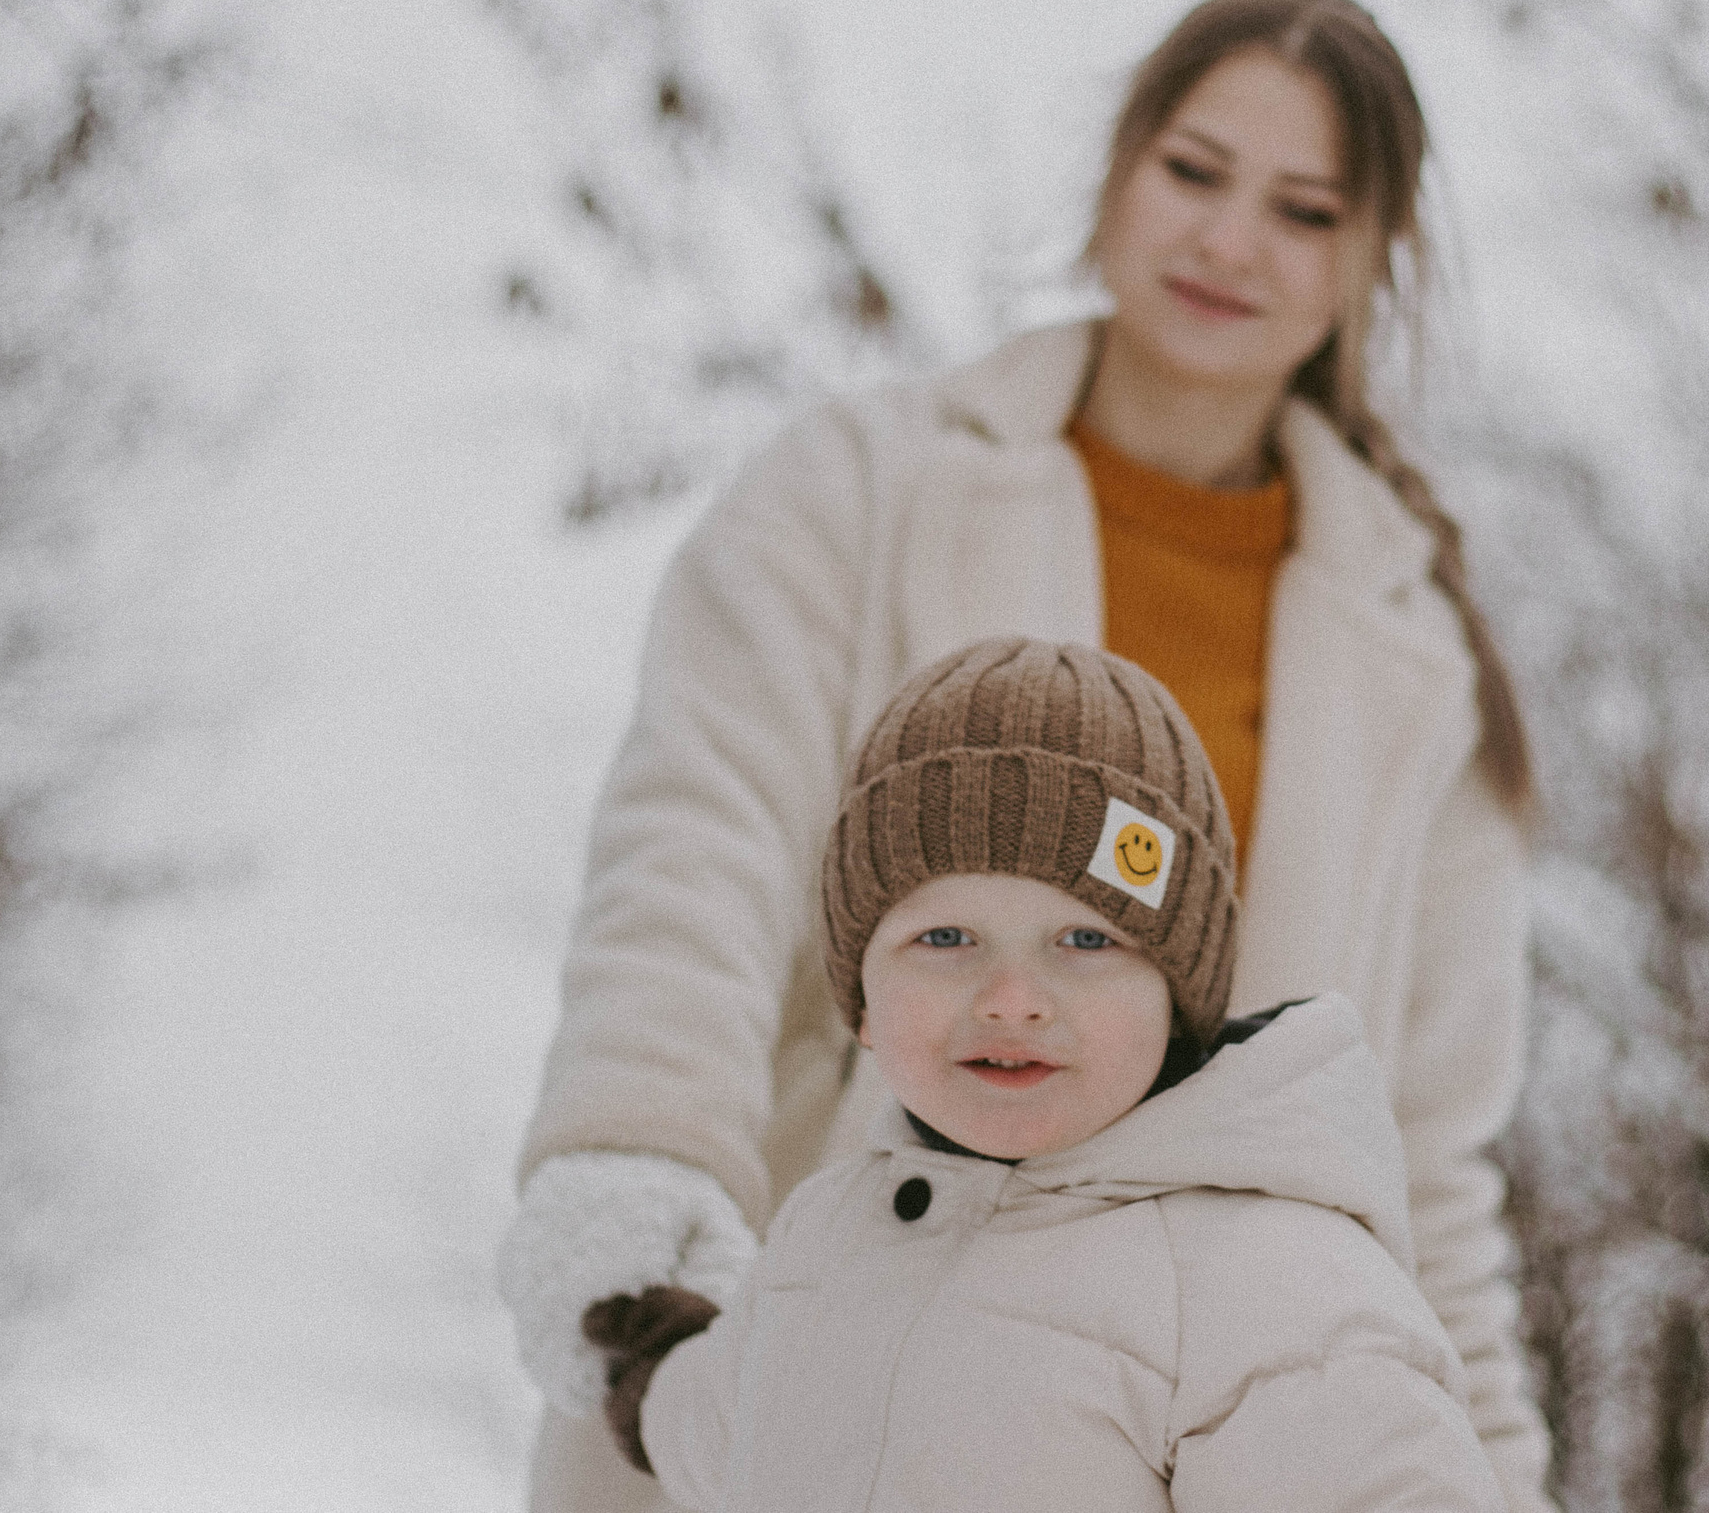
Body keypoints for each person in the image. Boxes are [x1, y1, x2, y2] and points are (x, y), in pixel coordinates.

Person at [496, 0, 1552, 1513]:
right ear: (1119, 173)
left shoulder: (1418, 662)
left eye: (1305, 208)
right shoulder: (859, 490)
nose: (1230, 241)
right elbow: (696, 843)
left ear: (1369, 260)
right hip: (807, 1356)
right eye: (1194, 171)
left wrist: (1496, 1475)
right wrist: (642, 1155)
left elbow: (1427, 1156)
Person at [583, 638, 1507, 1511]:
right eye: (945, 938)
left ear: (1177, 994)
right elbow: (742, 1411)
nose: (1013, 997)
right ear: (861, 1000)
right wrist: (656, 1377)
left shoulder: (1268, 1285)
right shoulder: (826, 1241)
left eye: (1086, 940)